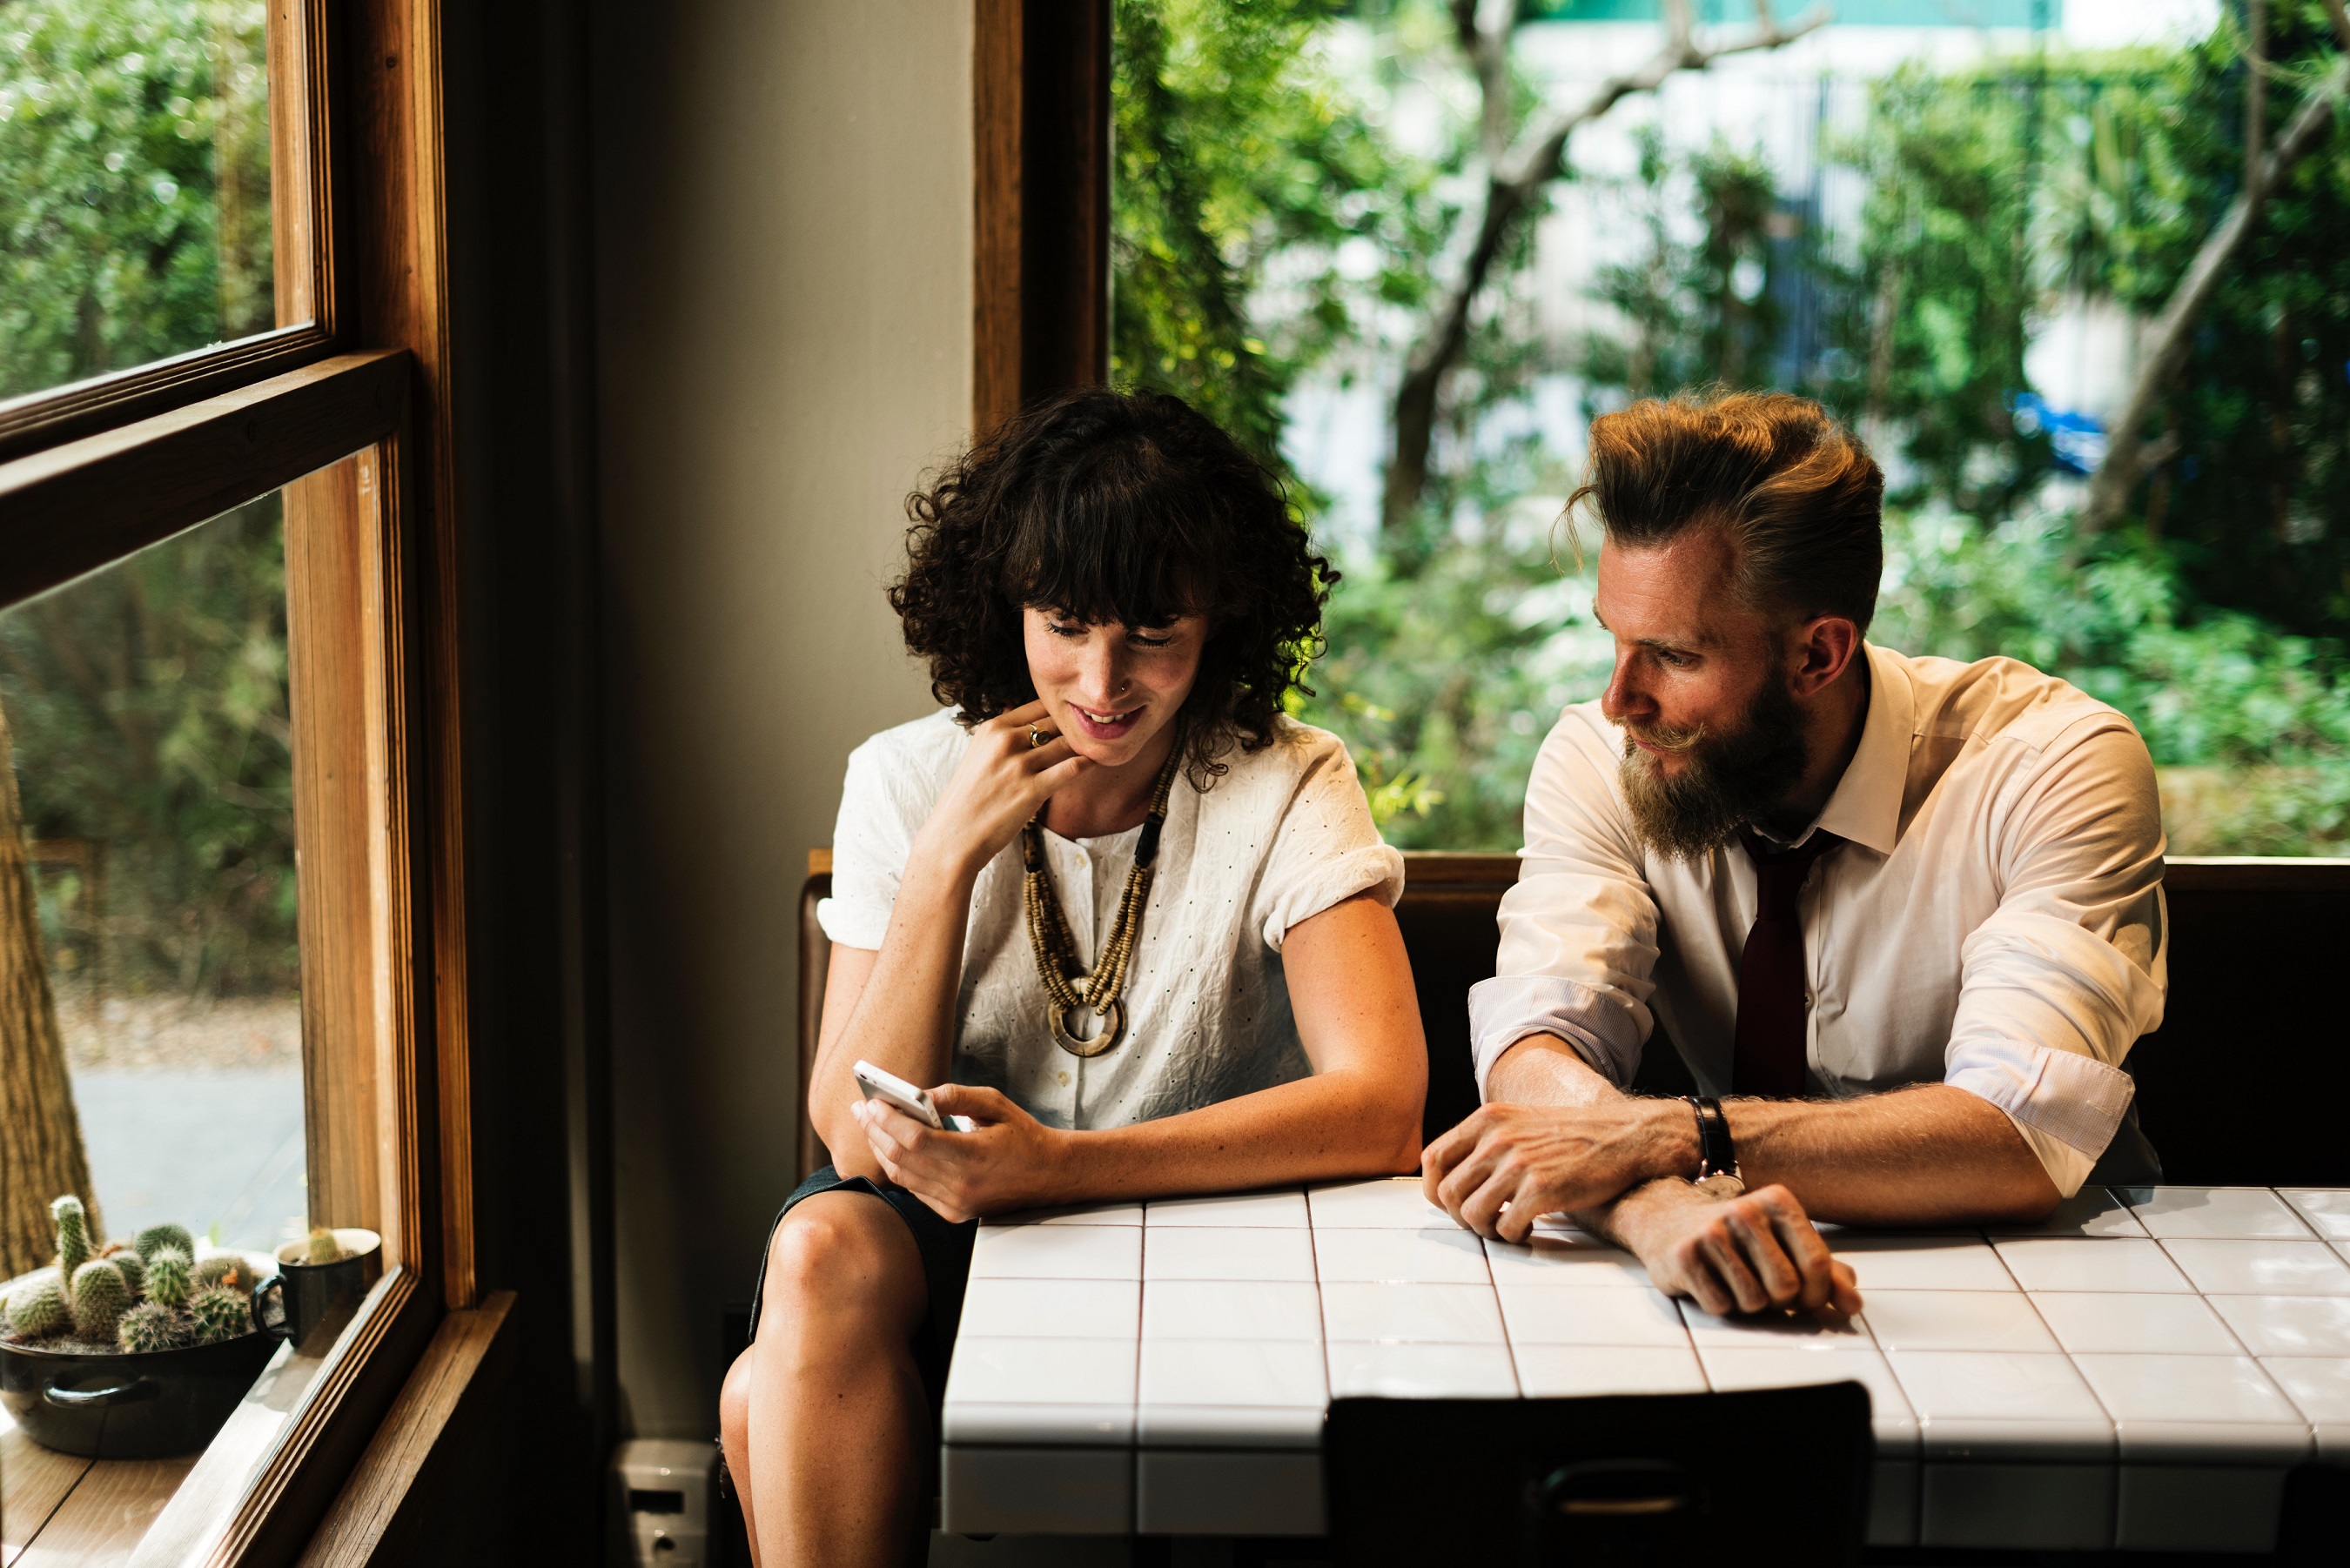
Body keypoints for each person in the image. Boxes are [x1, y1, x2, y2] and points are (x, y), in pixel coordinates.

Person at [718, 387, 1427, 1568]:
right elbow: (853, 1136)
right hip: (944, 1236)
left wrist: (1060, 1167)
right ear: (1011, 608)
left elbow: (1385, 1100)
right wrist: (947, 855)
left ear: (1220, 621)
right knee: (820, 1245)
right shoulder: (903, 778)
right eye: (1067, 624)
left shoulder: (1290, 776)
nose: (1102, 681)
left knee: (756, 1400)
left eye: (1153, 633)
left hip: (1212, 1229)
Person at [1423, 389, 2166, 1320]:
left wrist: (1677, 1138)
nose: (1620, 699)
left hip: (2068, 1292)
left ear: (1818, 654)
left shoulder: (2054, 764)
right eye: (1614, 641)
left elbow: (2019, 1131)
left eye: (1674, 655)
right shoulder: (1603, 757)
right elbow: (1540, 1046)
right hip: (1721, 1286)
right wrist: (1656, 1208)